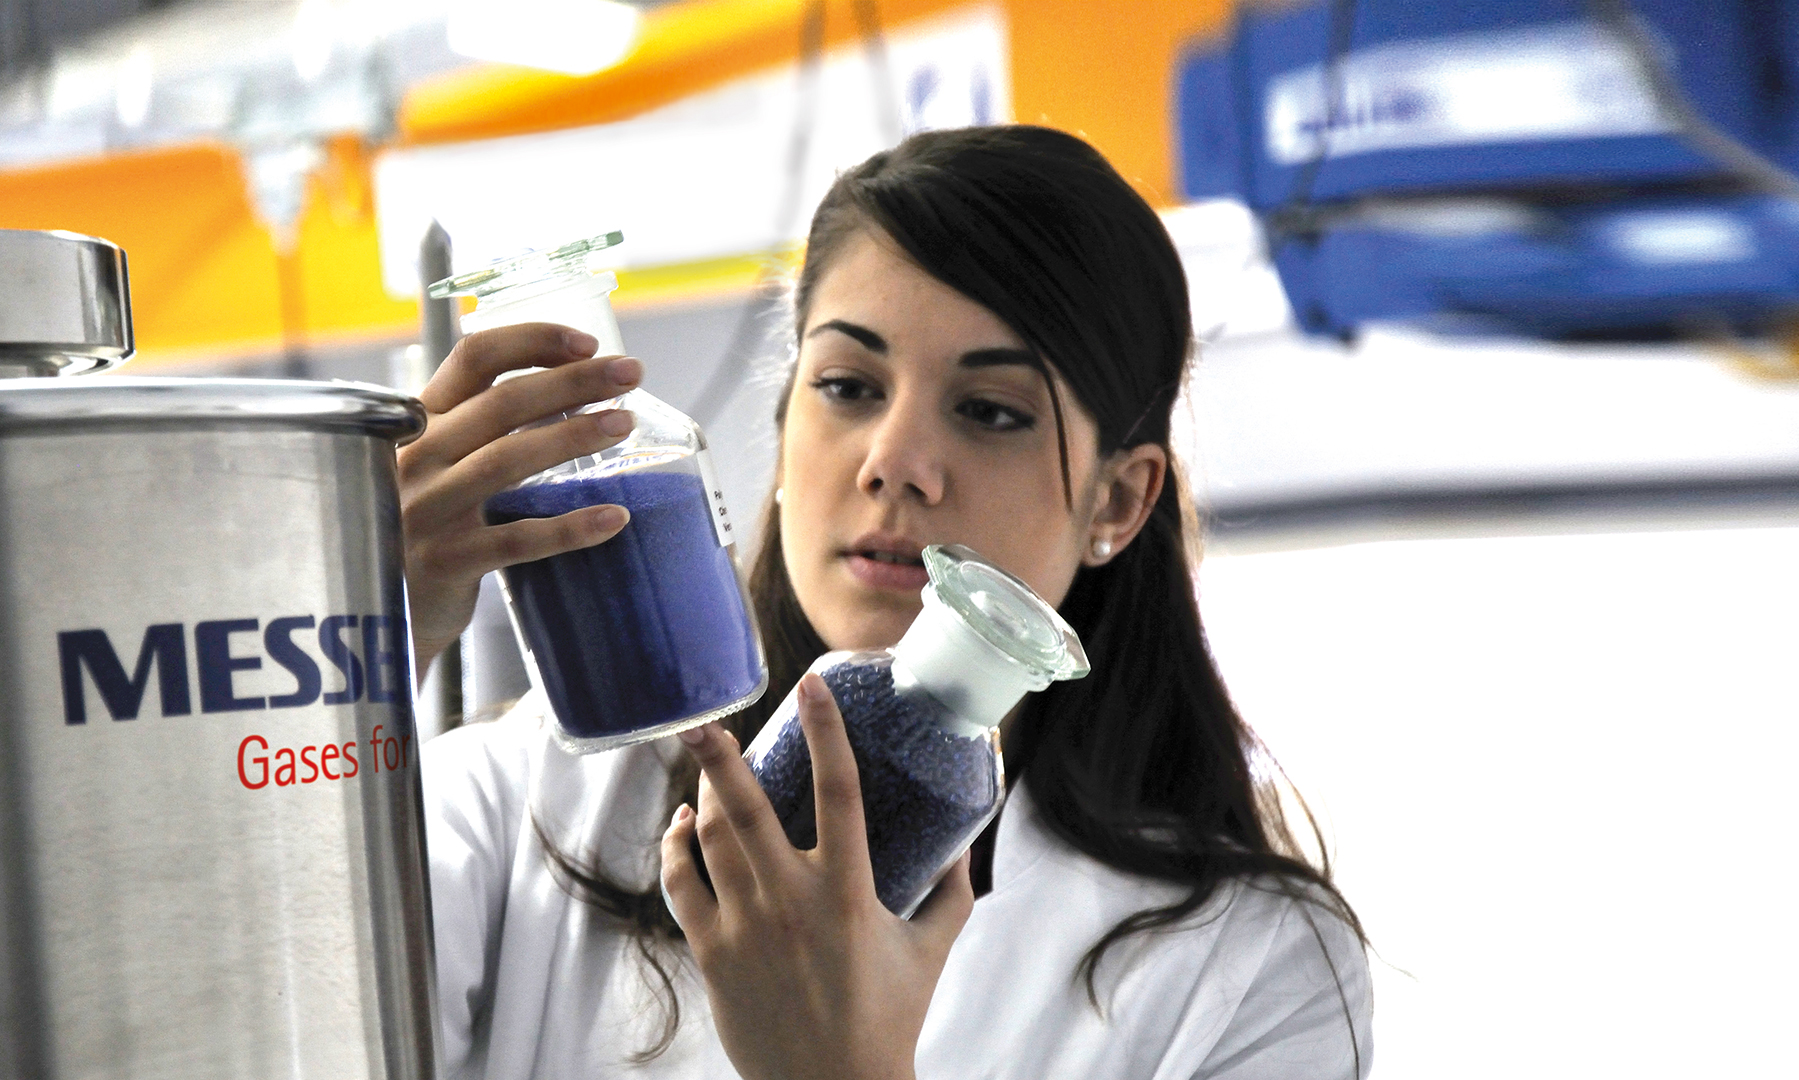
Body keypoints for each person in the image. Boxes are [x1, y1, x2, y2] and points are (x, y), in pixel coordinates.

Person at [400, 125, 1372, 1080]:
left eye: (989, 411)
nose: (893, 463)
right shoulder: (530, 804)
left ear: (1116, 501)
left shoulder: (1254, 970)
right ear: (784, 428)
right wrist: (373, 627)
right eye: (848, 386)